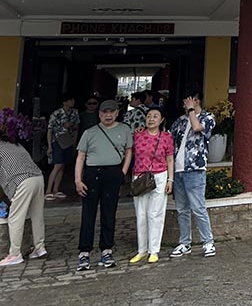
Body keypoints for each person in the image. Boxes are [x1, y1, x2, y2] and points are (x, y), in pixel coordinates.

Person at [75, 100, 132, 271]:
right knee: (88, 214)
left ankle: (106, 249)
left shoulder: (124, 129)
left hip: (113, 172)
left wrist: (123, 172)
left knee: (109, 213)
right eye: (104, 112)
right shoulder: (89, 132)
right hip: (92, 173)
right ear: (99, 114)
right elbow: (80, 157)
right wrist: (78, 179)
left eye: (111, 111)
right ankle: (84, 252)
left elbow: (129, 151)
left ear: (116, 113)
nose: (108, 115)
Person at [169, 92, 217, 259]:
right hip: (178, 169)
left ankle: (208, 241)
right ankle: (184, 243)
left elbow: (197, 128)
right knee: (182, 209)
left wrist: (191, 111)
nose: (185, 105)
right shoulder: (180, 121)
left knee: (198, 207)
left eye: (188, 101)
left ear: (196, 101)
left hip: (195, 168)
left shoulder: (207, 117)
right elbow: (169, 138)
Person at [130, 107, 174, 263]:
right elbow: (129, 153)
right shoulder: (138, 135)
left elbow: (169, 159)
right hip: (140, 177)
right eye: (148, 116)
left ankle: (153, 250)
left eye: (155, 116)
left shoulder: (166, 137)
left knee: (155, 214)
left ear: (161, 120)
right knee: (141, 214)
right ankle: (141, 250)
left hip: (160, 176)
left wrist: (170, 179)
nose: (151, 119)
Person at [0, 125, 46, 266]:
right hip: (38, 177)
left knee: (15, 218)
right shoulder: (15, 144)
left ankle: (14, 254)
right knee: (37, 215)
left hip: (22, 181)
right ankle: (39, 248)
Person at [45, 93, 79, 200]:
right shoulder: (56, 113)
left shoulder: (74, 112)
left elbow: (77, 126)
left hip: (68, 140)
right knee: (57, 165)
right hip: (57, 141)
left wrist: (72, 127)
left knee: (63, 166)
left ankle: (56, 189)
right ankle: (48, 190)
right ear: (64, 102)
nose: (72, 102)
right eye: (70, 100)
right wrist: (50, 146)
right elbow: (50, 130)